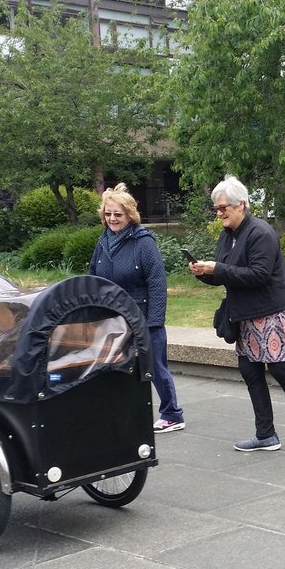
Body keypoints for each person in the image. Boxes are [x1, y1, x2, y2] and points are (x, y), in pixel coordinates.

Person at [188, 175, 285, 452]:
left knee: (282, 369)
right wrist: (203, 272)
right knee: (251, 372)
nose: (219, 213)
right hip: (244, 315)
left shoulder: (261, 232)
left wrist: (217, 269)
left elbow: (258, 275)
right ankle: (266, 434)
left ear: (241, 205)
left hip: (271, 313)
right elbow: (225, 275)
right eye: (217, 209)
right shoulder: (228, 236)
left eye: (224, 208)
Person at [89, 183, 185, 433]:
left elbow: (157, 282)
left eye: (118, 214)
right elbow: (93, 276)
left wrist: (154, 321)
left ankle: (172, 414)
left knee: (154, 366)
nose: (112, 219)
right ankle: (122, 411)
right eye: (108, 214)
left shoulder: (143, 242)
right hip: (113, 317)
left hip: (143, 316)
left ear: (130, 215)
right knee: (114, 367)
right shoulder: (103, 241)